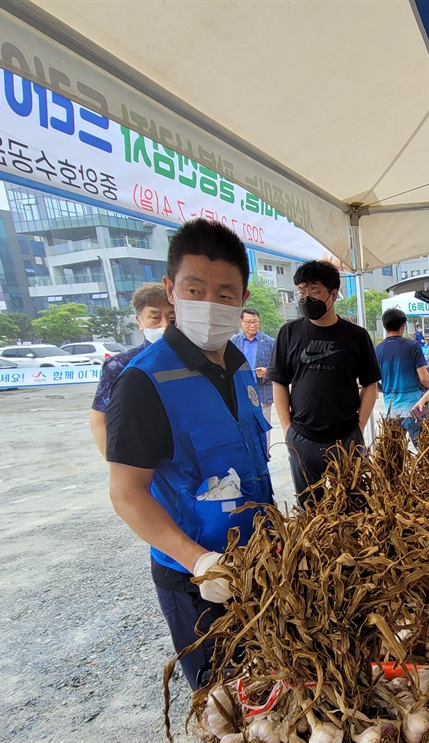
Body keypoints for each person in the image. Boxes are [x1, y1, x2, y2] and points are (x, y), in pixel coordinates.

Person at [105, 219, 273, 690]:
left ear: (241, 300)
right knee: (224, 704)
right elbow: (126, 493)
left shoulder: (241, 367)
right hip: (196, 582)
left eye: (224, 295)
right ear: (170, 289)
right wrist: (199, 561)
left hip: (261, 565)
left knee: (274, 691)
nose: (209, 304)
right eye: (194, 289)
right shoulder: (144, 382)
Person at [269, 260, 381, 506]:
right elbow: (279, 383)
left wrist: (358, 429)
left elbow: (370, 384)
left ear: (333, 294)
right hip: (303, 437)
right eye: (302, 292)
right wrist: (288, 430)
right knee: (310, 509)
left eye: (314, 292)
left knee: (354, 505)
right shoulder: (288, 333)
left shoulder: (356, 336)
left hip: (346, 437)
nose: (306, 298)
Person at [88, 283, 174, 455]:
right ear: (140, 322)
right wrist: (117, 466)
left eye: (172, 318)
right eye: (155, 318)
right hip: (145, 457)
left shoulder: (195, 358)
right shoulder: (122, 365)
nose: (165, 325)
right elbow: (100, 420)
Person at [376, 306, 429, 442]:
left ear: (385, 326)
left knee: (395, 456)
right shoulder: (412, 346)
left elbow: (372, 382)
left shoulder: (377, 350)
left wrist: (386, 390)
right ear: (403, 326)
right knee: (424, 451)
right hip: (415, 409)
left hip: (391, 412)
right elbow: (423, 377)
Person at [229, 306, 276, 437]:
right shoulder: (233, 342)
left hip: (262, 391)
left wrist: (268, 372)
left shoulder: (270, 343)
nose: (252, 325)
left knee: (263, 430)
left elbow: (280, 367)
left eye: (255, 322)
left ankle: (265, 456)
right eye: (248, 322)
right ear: (241, 322)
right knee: (243, 430)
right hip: (240, 391)